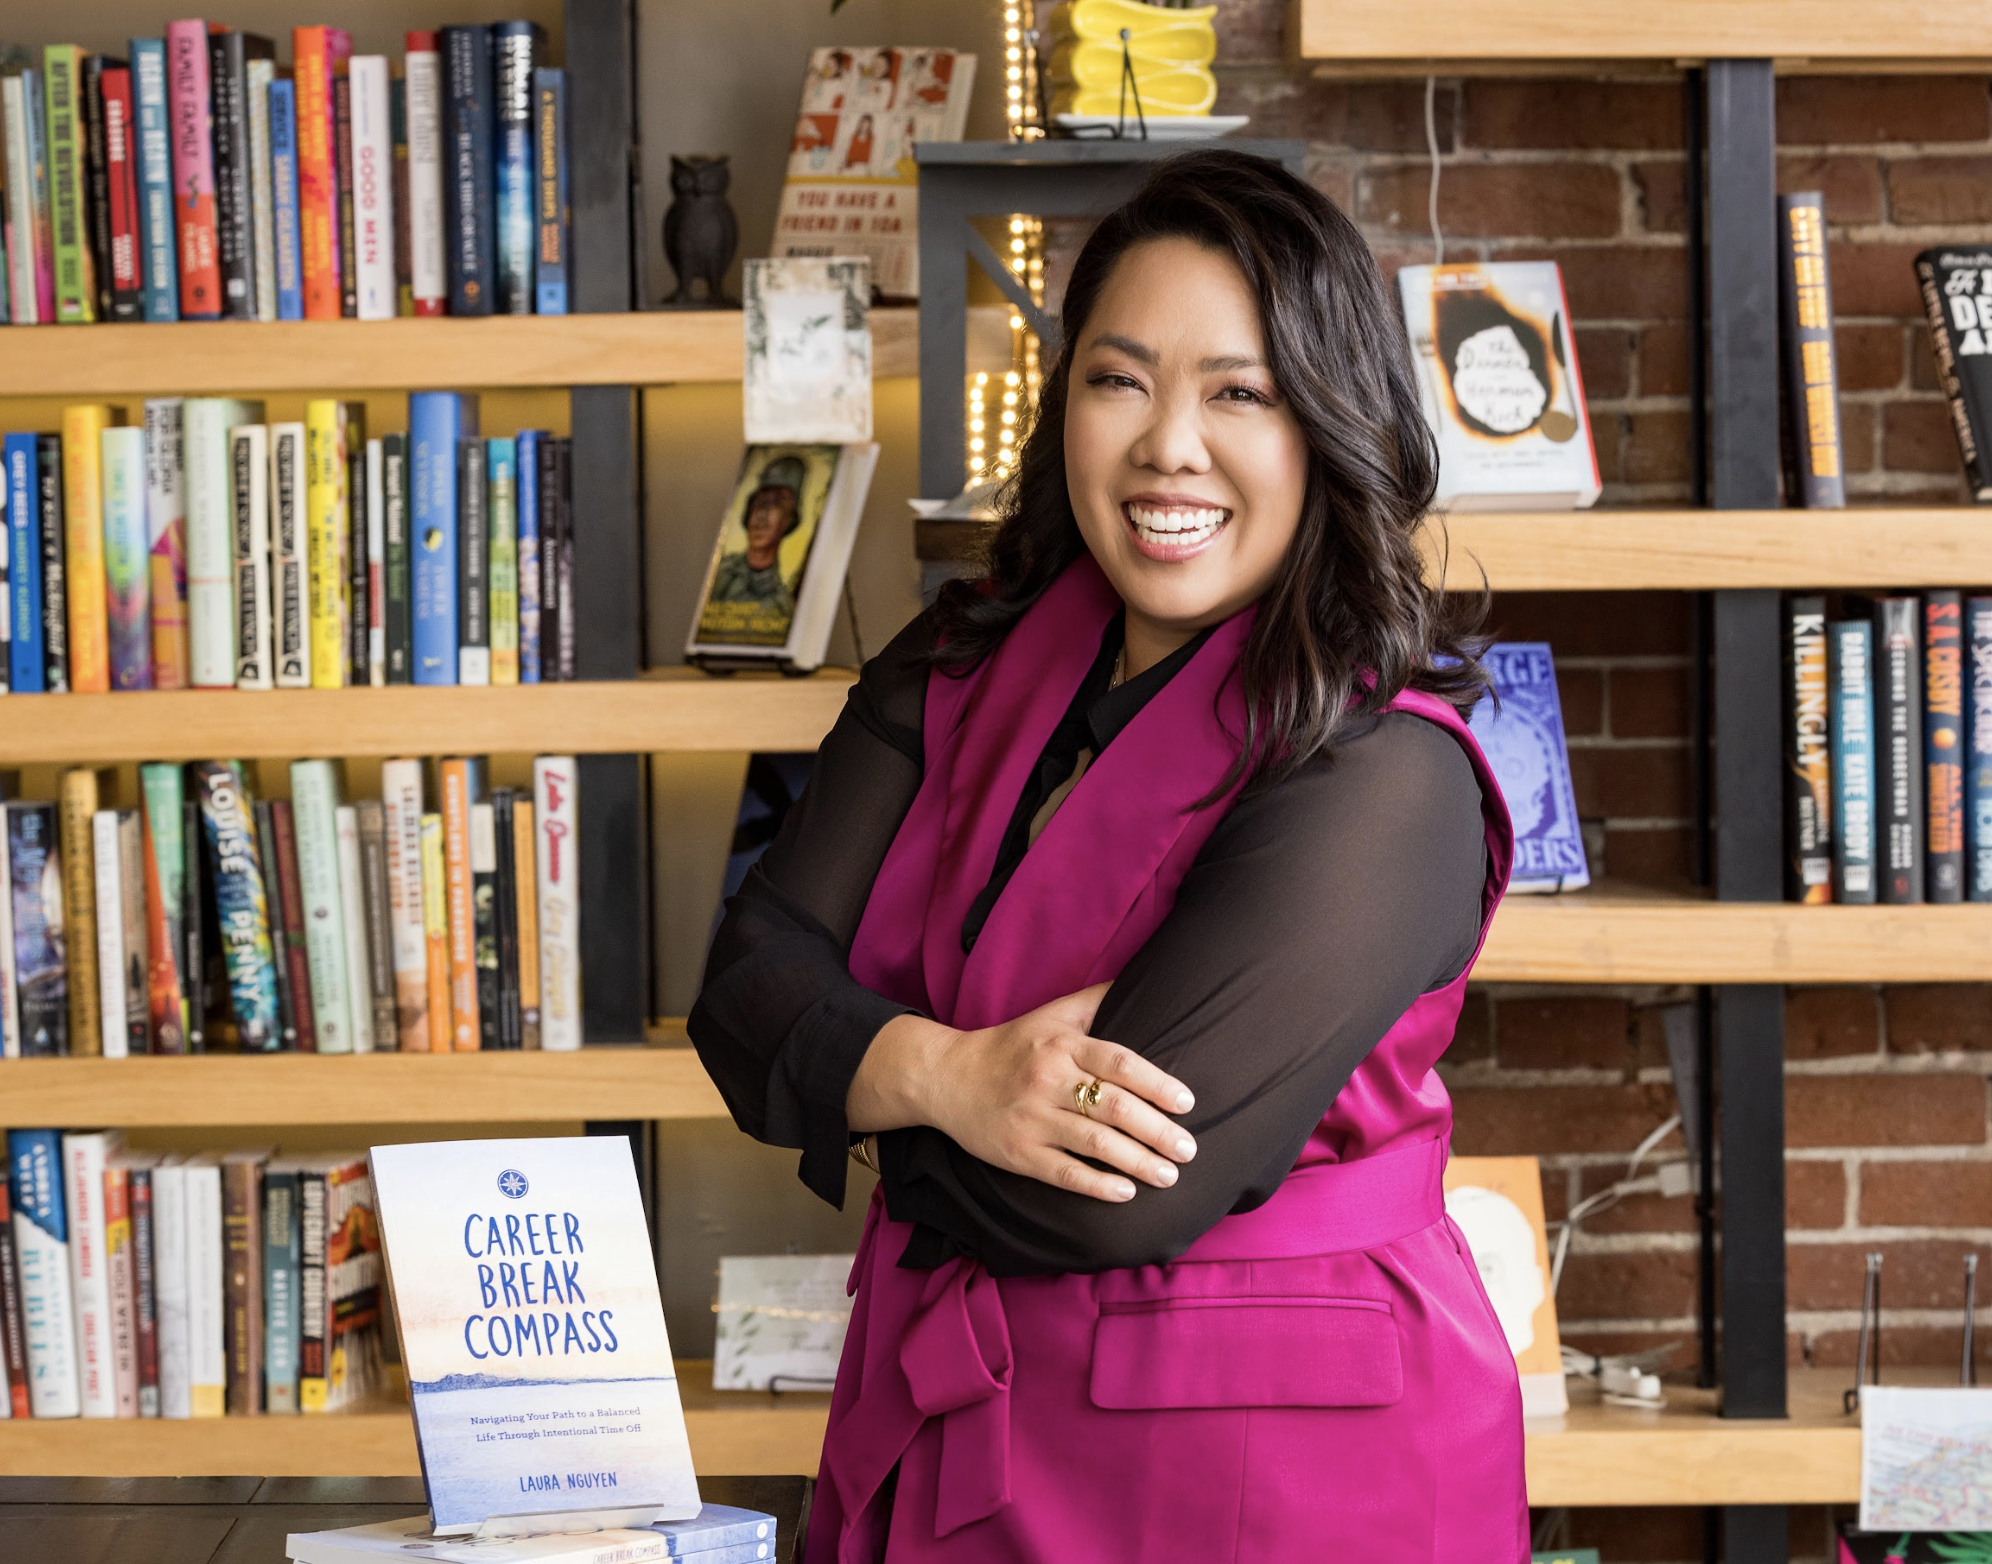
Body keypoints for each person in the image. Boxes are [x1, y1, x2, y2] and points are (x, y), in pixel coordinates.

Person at [690, 149, 1527, 1563]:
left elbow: (1093, 1199)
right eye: (1120, 379)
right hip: (964, 1422)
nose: (1168, 448)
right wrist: (950, 1074)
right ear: (1062, 402)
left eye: (1239, 392)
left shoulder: (1384, 778)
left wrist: (843, 1069)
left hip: (1284, 1479)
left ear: (1332, 422)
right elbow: (737, 991)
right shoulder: (956, 662)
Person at [708, 458, 805, 613]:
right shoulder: (716, 576)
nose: (761, 516)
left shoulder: (782, 607)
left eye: (776, 504)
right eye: (759, 502)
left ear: (789, 519)